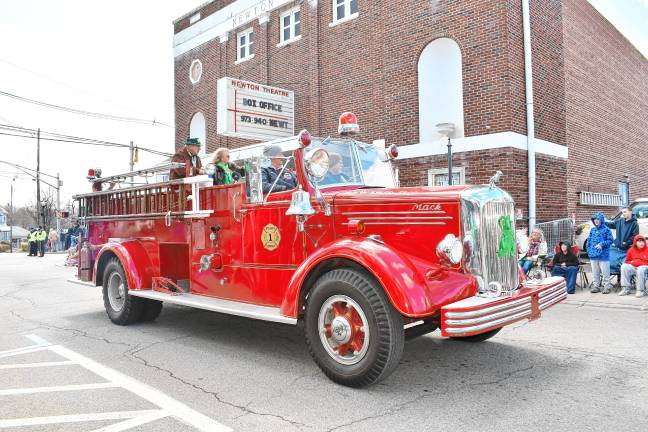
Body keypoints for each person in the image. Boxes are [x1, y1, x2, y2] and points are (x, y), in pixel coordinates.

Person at [586, 212, 614, 294]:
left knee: (605, 272)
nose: (596, 221)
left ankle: (607, 286)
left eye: (598, 219)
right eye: (594, 219)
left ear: (601, 219)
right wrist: (589, 249)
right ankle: (596, 286)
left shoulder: (607, 229)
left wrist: (602, 244)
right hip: (593, 255)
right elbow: (589, 241)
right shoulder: (592, 230)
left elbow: (610, 240)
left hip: (603, 255)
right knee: (595, 272)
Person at [606, 207, 639, 273]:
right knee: (612, 263)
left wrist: (626, 243)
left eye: (625, 212)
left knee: (623, 265)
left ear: (630, 212)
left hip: (627, 249)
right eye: (622, 212)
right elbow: (611, 224)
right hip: (617, 247)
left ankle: (622, 280)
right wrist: (602, 222)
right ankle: (618, 280)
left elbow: (634, 236)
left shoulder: (635, 224)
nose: (623, 214)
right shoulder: (620, 221)